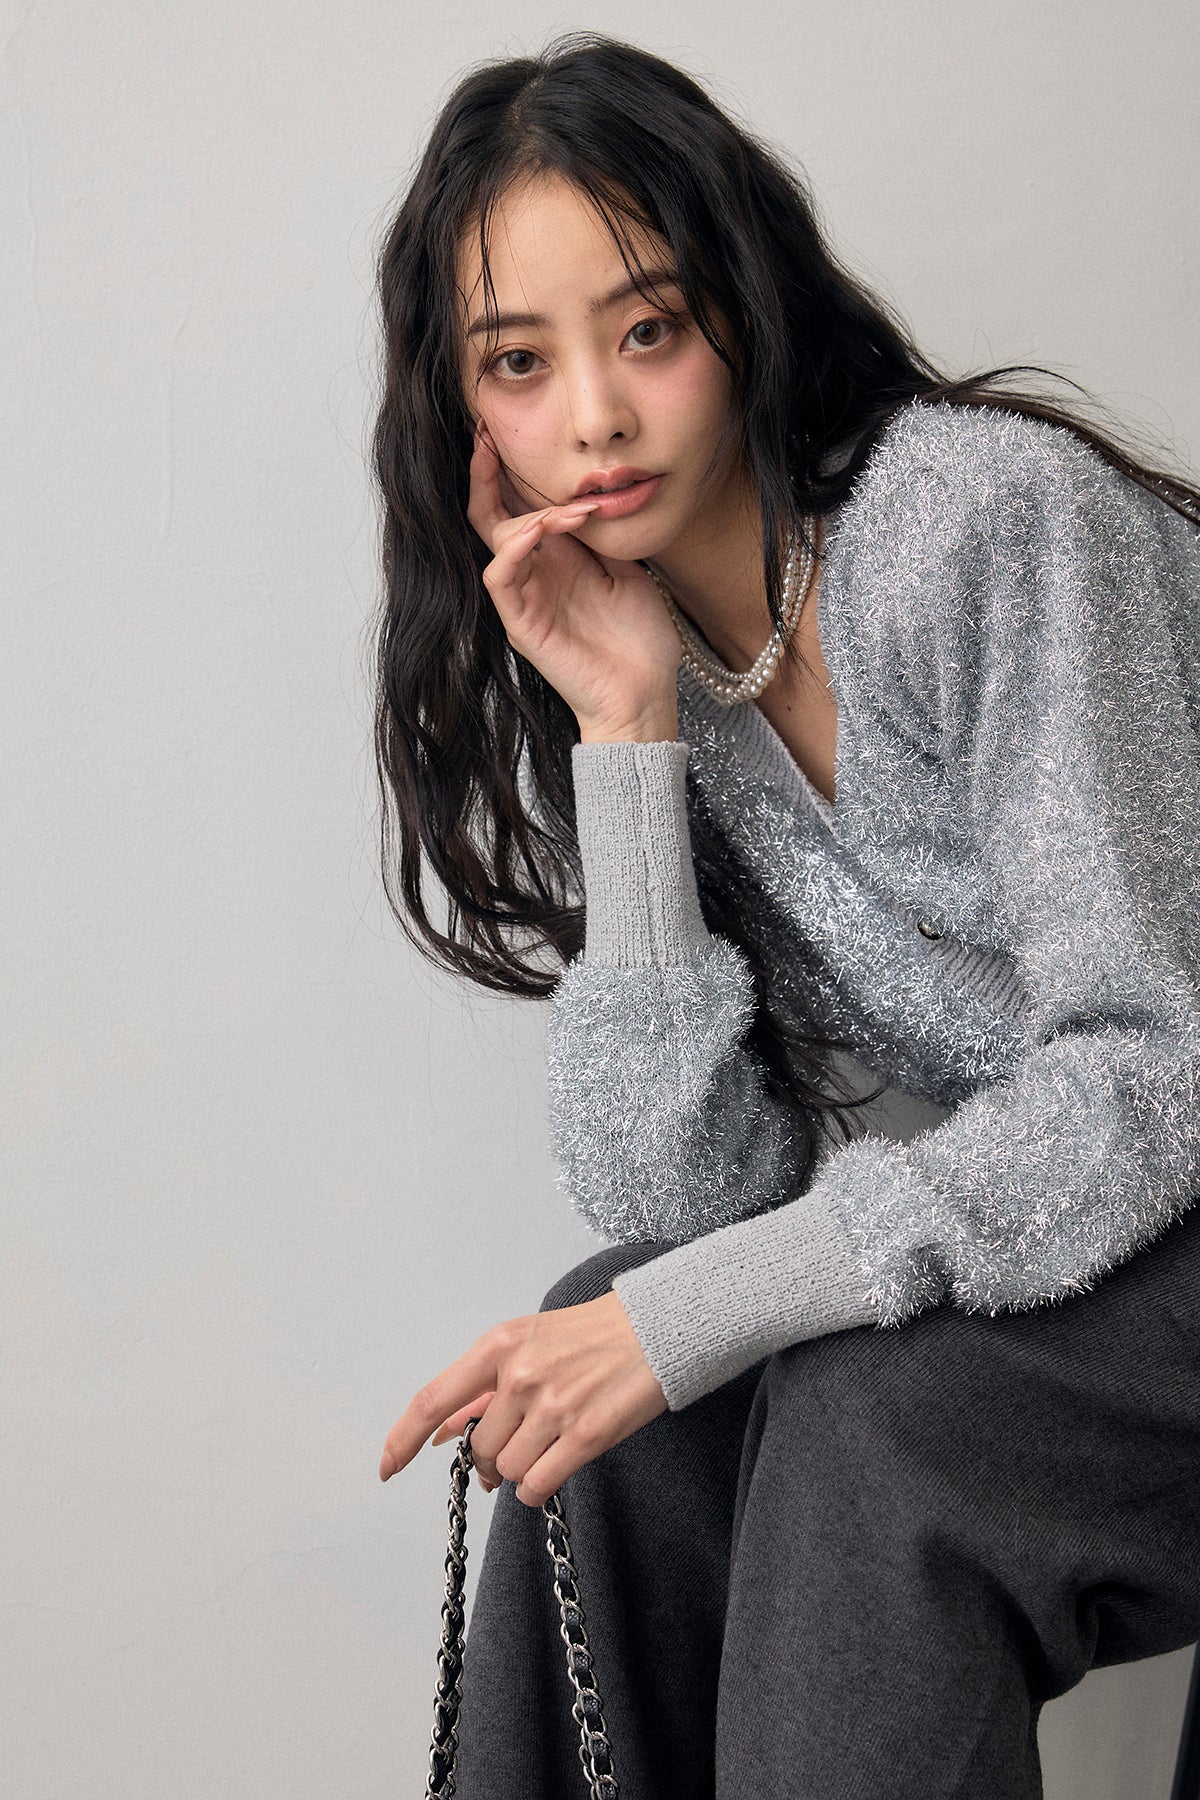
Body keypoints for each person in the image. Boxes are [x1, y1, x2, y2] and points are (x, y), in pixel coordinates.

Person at [371, 31, 1200, 1799]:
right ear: (467, 413)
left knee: (866, 1418)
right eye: (520, 362)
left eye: (646, 331)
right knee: (606, 1392)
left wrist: (696, 1315)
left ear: (742, 309)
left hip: (1173, 1182)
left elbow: (1150, 1075)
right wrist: (625, 731)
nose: (593, 417)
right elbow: (691, 1207)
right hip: (1125, 1256)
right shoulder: (662, 656)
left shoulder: (981, 526)